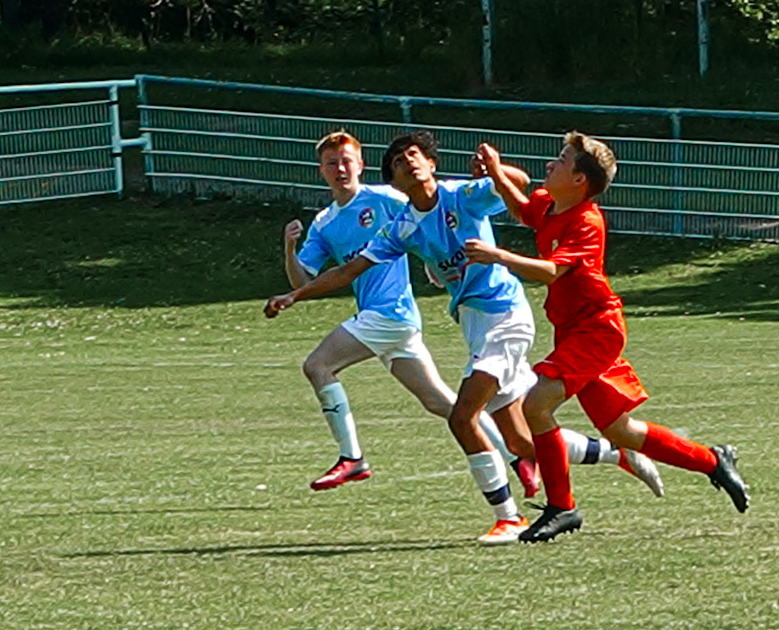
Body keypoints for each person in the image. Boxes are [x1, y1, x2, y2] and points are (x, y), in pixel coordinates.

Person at [267, 130, 662, 543]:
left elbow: (521, 183)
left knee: (462, 415)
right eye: (400, 162)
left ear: (432, 164)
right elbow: (346, 272)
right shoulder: (401, 227)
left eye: (416, 155)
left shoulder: (462, 195)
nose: (410, 162)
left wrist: (494, 169)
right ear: (396, 182)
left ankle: (508, 517)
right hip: (473, 324)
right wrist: (295, 295)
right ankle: (617, 453)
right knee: (523, 441)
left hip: (505, 314)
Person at [462, 133, 750, 542]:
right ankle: (712, 460)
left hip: (596, 330)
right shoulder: (554, 203)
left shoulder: (586, 220)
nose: (551, 165)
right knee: (621, 432)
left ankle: (562, 507)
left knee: (536, 405)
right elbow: (527, 211)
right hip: (574, 330)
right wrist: (495, 173)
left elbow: (550, 271)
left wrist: (498, 256)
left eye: (561, 161)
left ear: (580, 180)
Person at [278, 130, 519, 491]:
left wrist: (434, 261)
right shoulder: (325, 222)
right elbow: (304, 278)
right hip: (388, 323)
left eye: (347, 161)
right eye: (332, 164)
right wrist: (289, 248)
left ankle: (352, 458)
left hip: (389, 314)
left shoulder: (386, 197)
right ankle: (517, 456)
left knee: (317, 366)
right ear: (322, 171)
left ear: (360, 164)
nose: (341, 168)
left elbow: (424, 216)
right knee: (444, 405)